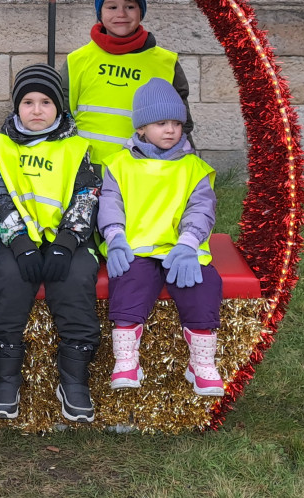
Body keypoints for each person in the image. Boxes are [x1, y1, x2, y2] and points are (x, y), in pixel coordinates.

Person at [0, 64, 102, 422]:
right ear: (16, 107)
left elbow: (86, 196)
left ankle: (74, 378)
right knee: (8, 279)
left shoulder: (77, 147)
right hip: (17, 238)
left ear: (59, 108)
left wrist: (67, 242)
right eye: (28, 102)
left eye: (46, 102)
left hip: (68, 238)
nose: (37, 110)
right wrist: (19, 242)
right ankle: (5, 377)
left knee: (77, 279)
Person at [98, 78, 225, 397]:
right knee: (129, 281)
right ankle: (126, 359)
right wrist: (115, 237)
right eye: (161, 123)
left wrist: (189, 243)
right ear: (141, 128)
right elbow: (110, 203)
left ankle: (201, 363)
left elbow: (201, 209)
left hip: (181, 249)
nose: (170, 130)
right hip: (135, 247)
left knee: (202, 283)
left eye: (176, 124)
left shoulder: (194, 167)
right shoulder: (119, 164)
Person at [63, 0, 193, 168]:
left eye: (130, 6)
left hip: (145, 173)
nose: (121, 14)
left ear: (141, 11)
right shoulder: (77, 61)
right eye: (112, 7)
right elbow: (60, 120)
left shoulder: (166, 63)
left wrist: (188, 168)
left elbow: (182, 126)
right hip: (86, 173)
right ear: (100, 12)